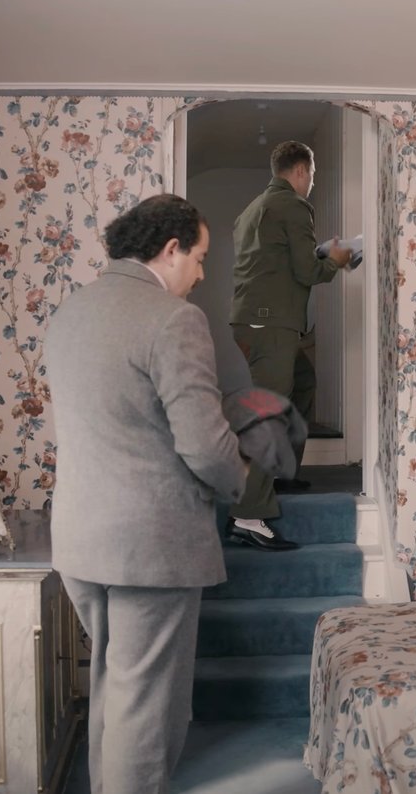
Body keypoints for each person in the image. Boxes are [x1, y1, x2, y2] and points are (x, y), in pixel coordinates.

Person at [45, 193, 249, 794]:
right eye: (201, 258)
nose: (202, 273)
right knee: (147, 708)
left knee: (115, 686)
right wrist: (244, 480)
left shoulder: (70, 312)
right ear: (171, 249)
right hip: (150, 545)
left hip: (80, 540)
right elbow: (206, 447)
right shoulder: (174, 319)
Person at [226, 140, 352, 551]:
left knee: (303, 382)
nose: (311, 183)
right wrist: (336, 260)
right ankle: (247, 515)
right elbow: (307, 271)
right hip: (272, 322)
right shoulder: (294, 206)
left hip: (254, 319)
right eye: (311, 175)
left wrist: (321, 255)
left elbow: (277, 259)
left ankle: (280, 474)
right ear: (300, 171)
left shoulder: (253, 208)